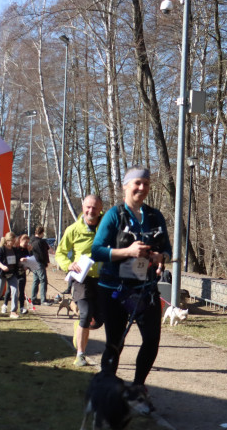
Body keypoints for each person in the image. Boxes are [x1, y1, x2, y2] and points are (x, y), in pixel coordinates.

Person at [90, 167, 171, 403]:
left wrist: (160, 257)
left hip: (145, 289)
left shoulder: (155, 216)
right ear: (125, 186)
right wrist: (128, 251)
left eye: (146, 183)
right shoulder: (114, 215)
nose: (142, 188)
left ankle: (138, 386)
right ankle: (107, 389)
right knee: (115, 342)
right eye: (137, 183)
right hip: (114, 290)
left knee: (152, 339)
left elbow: (167, 248)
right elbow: (96, 251)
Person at [56, 194, 105, 367]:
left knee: (98, 321)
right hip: (82, 279)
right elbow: (60, 253)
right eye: (88, 207)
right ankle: (80, 355)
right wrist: (68, 265)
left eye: (95, 208)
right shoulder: (73, 229)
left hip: (103, 279)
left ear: (100, 209)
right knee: (86, 313)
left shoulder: (107, 228)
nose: (91, 211)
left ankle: (80, 326)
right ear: (83, 207)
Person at [29, 225, 51, 306]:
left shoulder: (31, 241)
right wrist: (45, 262)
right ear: (42, 233)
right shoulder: (41, 242)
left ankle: (33, 298)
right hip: (39, 263)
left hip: (33, 262)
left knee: (36, 280)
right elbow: (44, 253)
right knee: (43, 281)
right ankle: (43, 300)